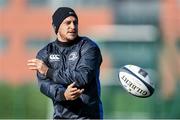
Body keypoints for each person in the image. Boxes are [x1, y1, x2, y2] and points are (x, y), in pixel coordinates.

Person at [27, 7, 103, 119]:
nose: (72, 26)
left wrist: (49, 72)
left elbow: (83, 76)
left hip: (88, 116)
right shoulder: (45, 53)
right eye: (68, 23)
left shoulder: (89, 47)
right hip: (60, 117)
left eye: (75, 23)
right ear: (56, 27)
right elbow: (44, 85)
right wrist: (63, 94)